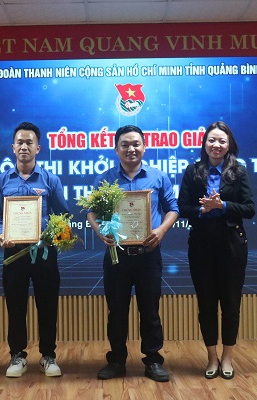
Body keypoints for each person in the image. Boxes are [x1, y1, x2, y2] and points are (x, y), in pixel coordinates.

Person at [86, 125, 179, 382]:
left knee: (150, 310)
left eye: (136, 144)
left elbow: (173, 208)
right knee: (117, 310)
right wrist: (99, 231)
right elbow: (91, 211)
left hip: (149, 253)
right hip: (117, 255)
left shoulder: (158, 176)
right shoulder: (105, 179)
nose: (131, 149)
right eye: (125, 145)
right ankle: (116, 360)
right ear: (116, 149)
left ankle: (153, 360)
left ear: (144, 147)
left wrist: (161, 230)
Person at [0, 121, 69, 378]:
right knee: (15, 306)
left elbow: (63, 214)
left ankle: (48, 356)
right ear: (13, 147)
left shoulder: (50, 179)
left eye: (29, 142)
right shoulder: (2, 180)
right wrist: (1, 233)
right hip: (13, 252)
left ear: (38, 148)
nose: (24, 147)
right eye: (20, 142)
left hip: (44, 253)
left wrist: (51, 234)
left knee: (48, 306)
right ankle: (17, 356)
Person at [177, 121, 255, 380]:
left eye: (222, 140)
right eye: (212, 140)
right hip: (201, 246)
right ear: (205, 143)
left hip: (232, 245)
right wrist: (202, 209)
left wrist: (223, 206)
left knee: (231, 305)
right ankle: (211, 357)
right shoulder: (193, 171)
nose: (216, 145)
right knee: (206, 304)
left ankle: (228, 357)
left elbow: (249, 209)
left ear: (229, 144)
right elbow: (182, 207)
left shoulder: (239, 172)